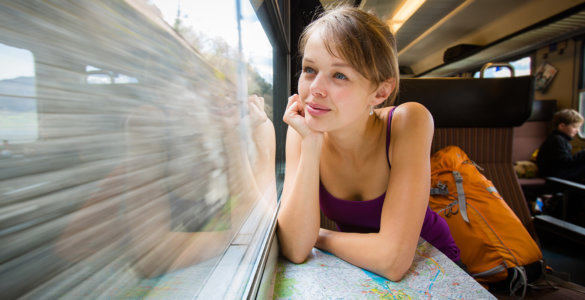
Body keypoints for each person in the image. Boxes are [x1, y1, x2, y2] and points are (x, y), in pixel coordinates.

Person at [277, 6, 461, 281]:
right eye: (310, 69)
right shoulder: (302, 132)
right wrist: (311, 144)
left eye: (339, 75)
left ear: (380, 92)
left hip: (431, 267)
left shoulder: (409, 121)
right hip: (360, 269)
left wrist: (319, 235)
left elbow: (392, 261)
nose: (315, 88)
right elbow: (294, 247)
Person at [537, 108, 585, 181]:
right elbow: (565, 163)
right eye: (574, 127)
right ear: (561, 126)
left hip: (559, 172)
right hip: (553, 174)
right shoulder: (556, 140)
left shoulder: (561, 139)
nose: (577, 130)